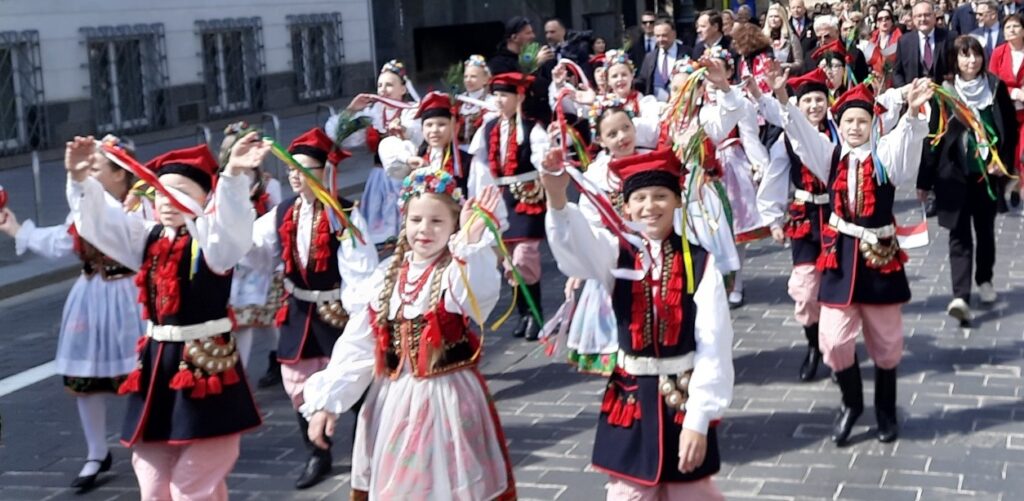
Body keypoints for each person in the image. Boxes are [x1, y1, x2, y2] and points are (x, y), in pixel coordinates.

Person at [67, 135, 269, 500]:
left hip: (204, 366)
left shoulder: (212, 242)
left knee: (192, 483)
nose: (167, 200)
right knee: (151, 477)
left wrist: (234, 176)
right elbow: (102, 223)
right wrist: (81, 180)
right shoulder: (147, 236)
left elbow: (232, 228)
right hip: (158, 365)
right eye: (160, 191)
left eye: (180, 192)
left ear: (204, 199)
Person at [302, 171, 515, 501]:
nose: (425, 229)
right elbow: (360, 344)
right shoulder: (387, 275)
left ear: (454, 225)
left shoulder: (455, 270)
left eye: (437, 221)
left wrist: (471, 244)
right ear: (404, 221)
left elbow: (479, 297)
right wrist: (328, 403)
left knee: (448, 486)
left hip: (448, 398)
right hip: (394, 401)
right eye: (416, 220)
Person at [539, 147, 735, 500]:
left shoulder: (700, 262)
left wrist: (699, 419)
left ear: (677, 201)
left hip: (681, 399)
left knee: (690, 492)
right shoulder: (616, 252)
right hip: (628, 400)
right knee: (628, 493)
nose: (650, 206)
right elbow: (576, 249)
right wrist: (556, 195)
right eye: (640, 198)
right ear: (626, 207)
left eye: (661, 196)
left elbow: (714, 344)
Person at [777, 77, 935, 446]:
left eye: (862, 121)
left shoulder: (884, 157)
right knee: (833, 340)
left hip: (879, 259)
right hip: (841, 259)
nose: (855, 127)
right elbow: (801, 133)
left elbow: (906, 143)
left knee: (887, 342)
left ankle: (885, 410)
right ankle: (851, 403)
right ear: (840, 123)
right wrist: (783, 96)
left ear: (872, 124)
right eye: (848, 121)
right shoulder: (829, 156)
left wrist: (912, 111)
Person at [0, 135, 143, 491]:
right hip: (91, 295)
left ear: (120, 174)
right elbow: (63, 241)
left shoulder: (140, 208)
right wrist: (16, 229)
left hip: (131, 295)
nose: (90, 172)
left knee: (140, 372)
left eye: (97, 166)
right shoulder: (83, 208)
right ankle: (96, 452)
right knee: (84, 375)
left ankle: (145, 441)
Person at [249, 128, 379, 489]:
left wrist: (358, 315)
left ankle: (368, 453)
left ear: (326, 171)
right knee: (298, 384)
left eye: (304, 168)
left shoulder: (344, 214)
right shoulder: (282, 212)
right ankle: (317, 453)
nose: (296, 175)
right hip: (298, 311)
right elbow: (254, 248)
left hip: (337, 313)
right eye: (291, 168)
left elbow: (361, 270)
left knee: (356, 382)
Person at [919, 35, 1017, 323]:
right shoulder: (945, 93)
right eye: (965, 55)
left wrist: (1003, 163)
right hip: (953, 176)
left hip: (987, 175)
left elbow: (1009, 129)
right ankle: (960, 295)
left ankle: (984, 279)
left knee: (985, 231)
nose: (971, 61)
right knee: (958, 235)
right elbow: (933, 137)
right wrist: (924, 181)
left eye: (976, 55)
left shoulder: (995, 88)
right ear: (955, 60)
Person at [754, 69, 836, 382]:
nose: (814, 106)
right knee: (805, 289)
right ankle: (813, 345)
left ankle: (837, 351)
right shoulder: (786, 139)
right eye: (807, 101)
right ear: (798, 107)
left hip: (836, 218)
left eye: (819, 99)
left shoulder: (839, 133)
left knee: (836, 288)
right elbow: (775, 177)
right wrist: (774, 219)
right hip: (804, 218)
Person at [468, 72, 549, 340]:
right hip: (499, 197)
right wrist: (478, 197)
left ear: (519, 97)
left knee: (524, 256)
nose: (500, 100)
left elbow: (541, 159)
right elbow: (479, 166)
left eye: (505, 95)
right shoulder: (488, 128)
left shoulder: (532, 128)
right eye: (496, 95)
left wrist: (547, 173)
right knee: (508, 260)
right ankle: (523, 313)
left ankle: (536, 313)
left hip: (526, 195)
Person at [218, 122, 284, 384]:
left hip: (262, 258)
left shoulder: (268, 184)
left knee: (267, 317)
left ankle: (280, 359)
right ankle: (241, 375)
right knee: (243, 319)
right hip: (235, 260)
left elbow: (280, 218)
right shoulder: (221, 183)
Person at [337, 60, 422, 247]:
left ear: (403, 88)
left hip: (402, 178)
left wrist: (404, 130)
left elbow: (418, 136)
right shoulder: (373, 114)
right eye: (380, 85)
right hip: (378, 178)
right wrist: (352, 110)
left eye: (389, 85)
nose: (383, 90)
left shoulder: (410, 112)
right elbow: (342, 137)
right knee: (378, 230)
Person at [489, 16, 556, 123]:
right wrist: (534, 64)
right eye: (528, 33)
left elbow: (546, 86)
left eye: (532, 32)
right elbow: (513, 85)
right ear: (514, 37)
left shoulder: (536, 55)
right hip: (516, 118)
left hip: (544, 115)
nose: (533, 36)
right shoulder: (499, 63)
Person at [988, 12, 1024, 200]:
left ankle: (1019, 187)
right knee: (1005, 153)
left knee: (1022, 153)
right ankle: (1004, 189)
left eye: (1016, 26)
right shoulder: (999, 53)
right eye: (1008, 27)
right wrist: (1014, 92)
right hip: (1004, 112)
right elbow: (992, 82)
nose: (1012, 30)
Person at [893, 0, 957, 86]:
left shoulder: (950, 38)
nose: (923, 19)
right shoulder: (904, 41)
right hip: (915, 92)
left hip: (944, 91)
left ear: (934, 17)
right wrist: (906, 91)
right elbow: (897, 72)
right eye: (919, 16)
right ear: (913, 19)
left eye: (927, 15)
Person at [637, 18, 689, 101]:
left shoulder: (687, 53)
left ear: (674, 34)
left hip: (681, 102)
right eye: (657, 36)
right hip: (655, 104)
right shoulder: (650, 57)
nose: (660, 39)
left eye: (664, 35)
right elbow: (642, 81)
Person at [807, 15, 872, 81]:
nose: (823, 40)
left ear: (837, 33)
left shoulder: (854, 54)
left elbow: (863, 82)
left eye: (827, 36)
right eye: (819, 38)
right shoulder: (810, 57)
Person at [456, 55, 495, 153]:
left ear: (485, 79)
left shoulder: (491, 102)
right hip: (459, 151)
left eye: (473, 76)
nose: (468, 80)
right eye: (466, 76)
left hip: (481, 151)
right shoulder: (458, 101)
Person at [764, 3, 806, 74]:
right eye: (771, 16)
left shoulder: (792, 38)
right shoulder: (762, 37)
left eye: (776, 16)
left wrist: (781, 66)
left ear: (782, 18)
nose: (773, 19)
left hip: (786, 76)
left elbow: (799, 63)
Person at [868, 7, 904, 74]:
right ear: (876, 24)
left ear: (892, 22)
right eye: (880, 19)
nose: (884, 21)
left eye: (887, 18)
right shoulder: (871, 41)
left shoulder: (900, 39)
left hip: (895, 75)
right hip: (876, 76)